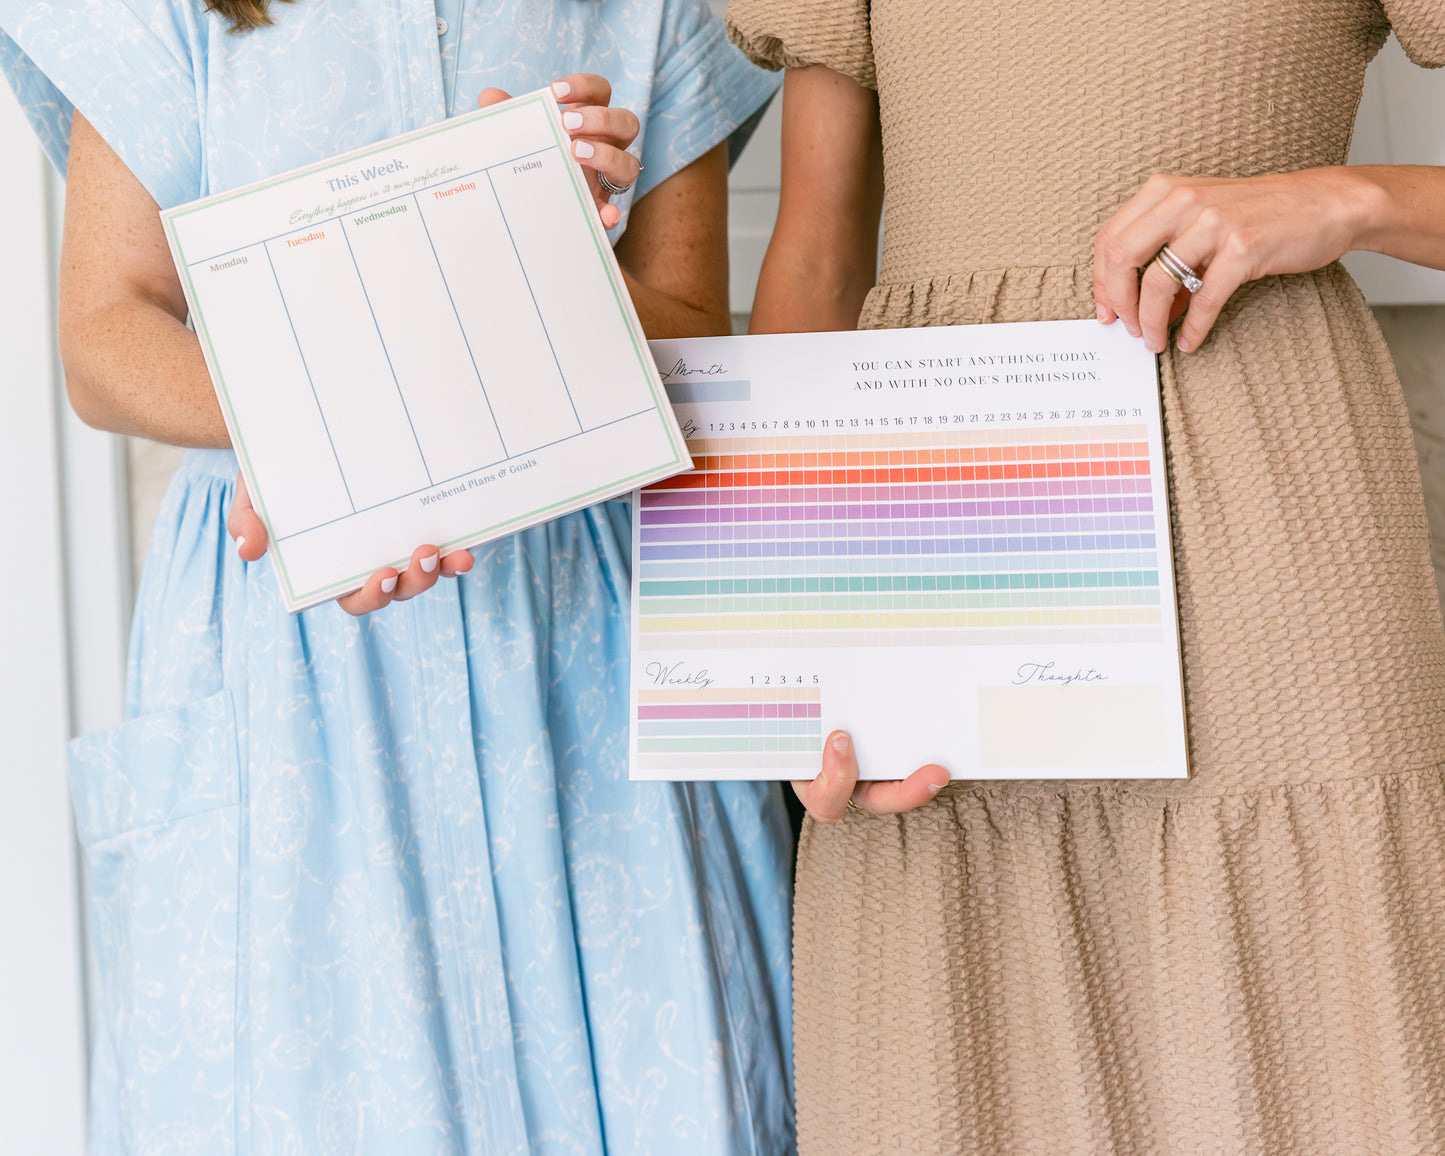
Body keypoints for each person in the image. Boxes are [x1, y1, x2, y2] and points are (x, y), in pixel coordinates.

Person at [0, 0, 795, 1151]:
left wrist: (531, 248)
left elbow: (680, 323)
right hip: (289, 632)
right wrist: (328, 442)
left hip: (580, 644)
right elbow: (104, 332)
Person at [727, 0, 1445, 1150]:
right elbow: (813, 253)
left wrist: (1347, 198)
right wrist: (794, 657)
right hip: (938, 554)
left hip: (1265, 549)